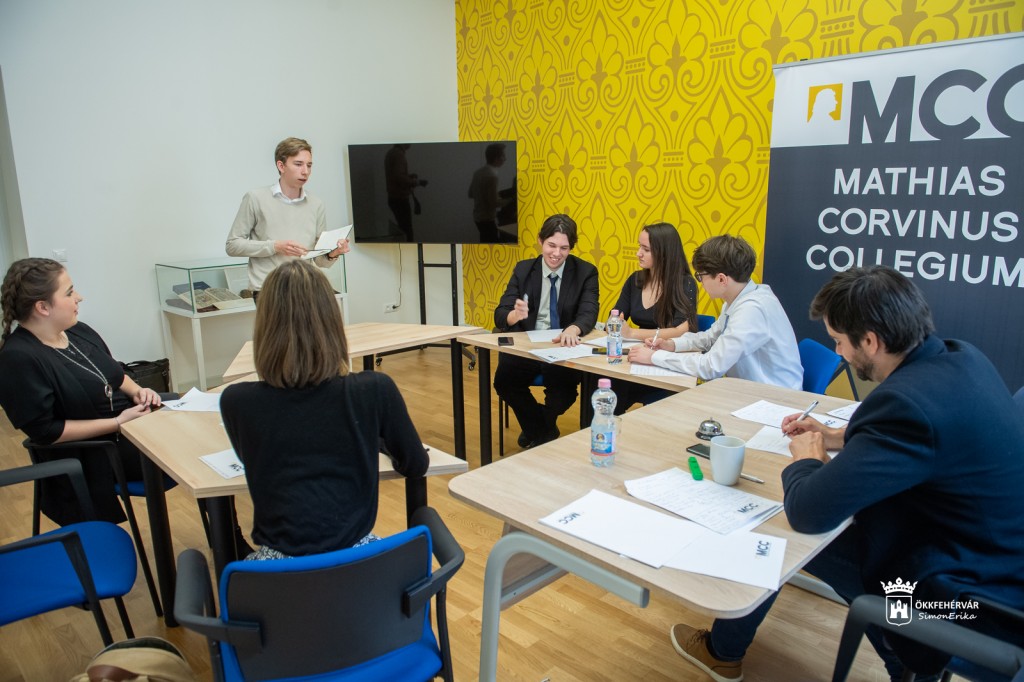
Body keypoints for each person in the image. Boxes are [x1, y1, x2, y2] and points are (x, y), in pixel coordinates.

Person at [669, 266, 1024, 682]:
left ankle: (722, 651)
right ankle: (901, 662)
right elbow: (922, 436)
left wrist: (807, 458)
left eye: (839, 341)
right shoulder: (960, 357)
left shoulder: (905, 405)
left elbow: (809, 513)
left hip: (967, 600)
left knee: (779, 529)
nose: (838, 353)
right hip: (996, 562)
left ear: (870, 341)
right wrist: (837, 436)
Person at [219, 259, 429, 559]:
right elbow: (415, 465)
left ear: (264, 327)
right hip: (359, 568)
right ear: (332, 322)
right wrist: (374, 439)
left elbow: (253, 458)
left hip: (278, 575)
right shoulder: (374, 390)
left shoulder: (236, 401)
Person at [0, 258, 161, 525]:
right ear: (42, 307)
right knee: (186, 447)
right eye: (69, 292)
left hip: (127, 422)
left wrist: (138, 391)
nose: (79, 297)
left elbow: (115, 373)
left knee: (191, 419)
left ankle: (225, 531)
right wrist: (117, 423)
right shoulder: (18, 359)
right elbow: (46, 431)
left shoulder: (76, 331)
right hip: (96, 451)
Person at [628, 234, 802, 390]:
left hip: (773, 399)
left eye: (701, 276)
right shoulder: (740, 298)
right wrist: (672, 345)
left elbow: (711, 367)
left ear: (721, 279)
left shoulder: (752, 310)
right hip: (751, 392)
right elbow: (710, 338)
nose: (701, 283)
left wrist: (655, 357)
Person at [493, 214, 599, 448]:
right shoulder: (523, 270)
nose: (556, 253)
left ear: (571, 247)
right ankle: (543, 430)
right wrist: (515, 315)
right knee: (504, 382)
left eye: (564, 248)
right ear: (540, 241)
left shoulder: (586, 272)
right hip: (527, 345)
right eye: (551, 245)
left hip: (561, 345)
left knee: (564, 395)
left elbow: (589, 312)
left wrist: (573, 328)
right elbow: (500, 313)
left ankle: (538, 426)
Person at [225, 137, 349, 297]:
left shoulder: (316, 204)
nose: (305, 171)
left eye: (309, 165)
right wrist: (275, 246)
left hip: (306, 288)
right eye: (298, 164)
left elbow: (319, 261)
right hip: (269, 290)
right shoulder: (255, 198)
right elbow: (232, 245)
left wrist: (334, 253)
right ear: (281, 166)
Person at [611, 222, 698, 413]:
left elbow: (682, 330)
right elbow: (616, 316)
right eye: (639, 246)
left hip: (666, 366)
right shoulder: (635, 280)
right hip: (634, 361)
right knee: (605, 387)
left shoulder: (685, 284)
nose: (638, 253)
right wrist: (615, 322)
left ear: (664, 253)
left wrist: (632, 333)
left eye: (646, 249)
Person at [384, 143, 428, 242]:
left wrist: (409, 177)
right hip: (400, 200)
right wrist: (417, 182)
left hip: (394, 198)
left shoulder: (391, 153)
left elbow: (396, 176)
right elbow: (399, 177)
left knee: (403, 230)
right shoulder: (398, 155)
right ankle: (409, 249)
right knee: (407, 232)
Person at [467, 143, 510, 243]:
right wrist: (512, 199)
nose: (505, 159)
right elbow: (494, 203)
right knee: (492, 245)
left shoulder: (478, 172)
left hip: (477, 217)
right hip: (487, 219)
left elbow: (471, 193)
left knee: (485, 242)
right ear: (496, 158)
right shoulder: (492, 176)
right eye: (503, 156)